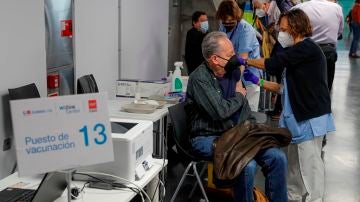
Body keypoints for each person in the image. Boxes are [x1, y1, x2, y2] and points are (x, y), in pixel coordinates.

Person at [243, 9, 336, 202]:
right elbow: (282, 87)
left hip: (309, 117)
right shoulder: (296, 53)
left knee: (310, 165)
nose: (280, 33)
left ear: (295, 28)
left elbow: (274, 64)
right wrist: (257, 82)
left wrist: (245, 61)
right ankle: (293, 197)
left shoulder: (306, 48)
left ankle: (314, 199)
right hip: (296, 119)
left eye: (284, 29)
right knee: (294, 164)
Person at [186, 31, 288, 202]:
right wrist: (240, 95)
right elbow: (220, 112)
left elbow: (243, 110)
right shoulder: (199, 79)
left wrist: (253, 129)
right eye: (230, 54)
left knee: (278, 158)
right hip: (207, 136)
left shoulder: (232, 72)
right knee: (247, 165)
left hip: (237, 134)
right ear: (215, 59)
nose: (235, 58)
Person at [216, 0, 263, 112]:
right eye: (224, 22)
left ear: (236, 18)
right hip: (232, 72)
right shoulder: (223, 27)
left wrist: (237, 83)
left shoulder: (245, 30)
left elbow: (242, 59)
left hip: (249, 75)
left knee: (249, 111)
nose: (227, 24)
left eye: (230, 22)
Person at [293, 0, 344, 92]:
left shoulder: (299, 8)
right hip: (328, 52)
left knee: (305, 87)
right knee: (326, 87)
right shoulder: (337, 8)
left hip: (305, 50)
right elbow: (340, 31)